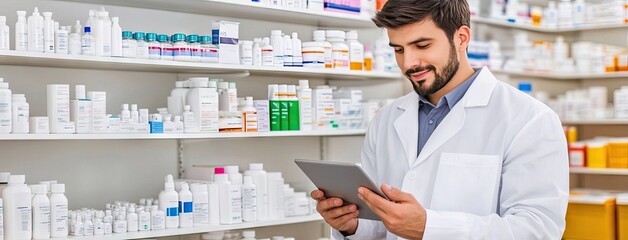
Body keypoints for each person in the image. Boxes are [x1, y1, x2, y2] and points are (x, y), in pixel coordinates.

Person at [310, 0, 569, 239]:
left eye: (422, 46)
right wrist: (351, 225)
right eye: (399, 49)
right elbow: (381, 224)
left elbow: (537, 230)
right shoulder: (387, 119)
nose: (409, 63)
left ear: (462, 38)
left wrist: (429, 227)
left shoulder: (529, 119)